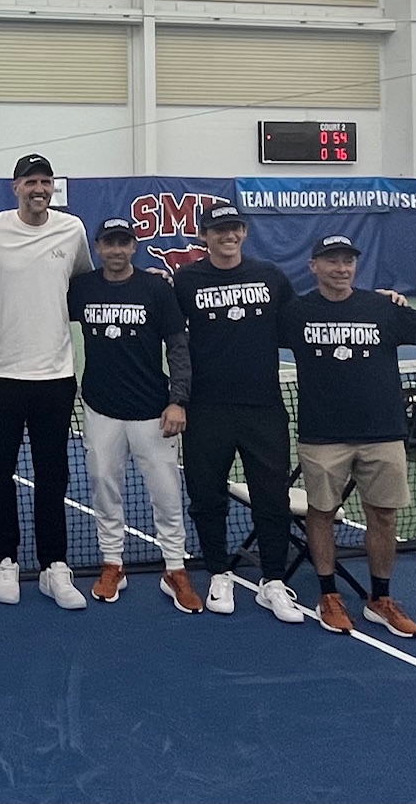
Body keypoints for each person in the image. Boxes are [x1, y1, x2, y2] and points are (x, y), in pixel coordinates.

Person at [280, 237, 416, 637]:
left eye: (347, 261)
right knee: (321, 513)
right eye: (331, 261)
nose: (341, 268)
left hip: (382, 434)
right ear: (314, 265)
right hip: (323, 436)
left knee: (383, 515)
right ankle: (328, 594)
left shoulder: (383, 307)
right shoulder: (295, 313)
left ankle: (380, 598)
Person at [0, 154, 93, 610]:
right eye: (31, 181)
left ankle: (53, 566)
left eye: (46, 181)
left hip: (55, 377)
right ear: (15, 186)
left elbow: (82, 285)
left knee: (53, 474)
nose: (39, 188)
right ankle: (4, 561)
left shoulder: (72, 229)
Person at [173, 204, 305, 622]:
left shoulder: (270, 276)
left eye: (233, 229)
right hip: (206, 409)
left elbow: (299, 324)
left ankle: (273, 580)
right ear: (204, 236)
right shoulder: (187, 280)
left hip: (263, 408)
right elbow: (172, 336)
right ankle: (217, 572)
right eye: (218, 230)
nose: (227, 236)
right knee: (206, 497)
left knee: (272, 498)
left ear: (244, 233)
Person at [67, 218, 202, 612]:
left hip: (152, 410)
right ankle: (113, 563)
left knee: (166, 493)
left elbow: (178, 346)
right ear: (97, 247)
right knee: (104, 486)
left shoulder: (156, 288)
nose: (116, 250)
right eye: (109, 243)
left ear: (134, 247)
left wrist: (179, 399)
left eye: (124, 243)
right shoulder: (83, 288)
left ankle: (175, 568)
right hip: (100, 408)